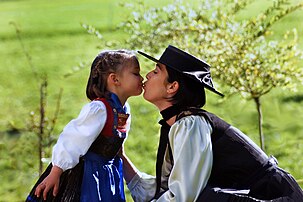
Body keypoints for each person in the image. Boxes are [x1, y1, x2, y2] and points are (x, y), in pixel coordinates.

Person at [120, 45, 303, 201]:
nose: (148, 75)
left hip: (271, 196)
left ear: (172, 87)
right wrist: (119, 156)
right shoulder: (181, 123)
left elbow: (183, 196)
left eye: (156, 70)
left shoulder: (191, 124)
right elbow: (166, 190)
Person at [26, 49, 144, 202]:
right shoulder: (99, 110)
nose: (142, 78)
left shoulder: (123, 109)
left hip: (107, 173)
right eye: (136, 73)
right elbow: (72, 139)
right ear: (115, 79)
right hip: (87, 175)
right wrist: (56, 172)